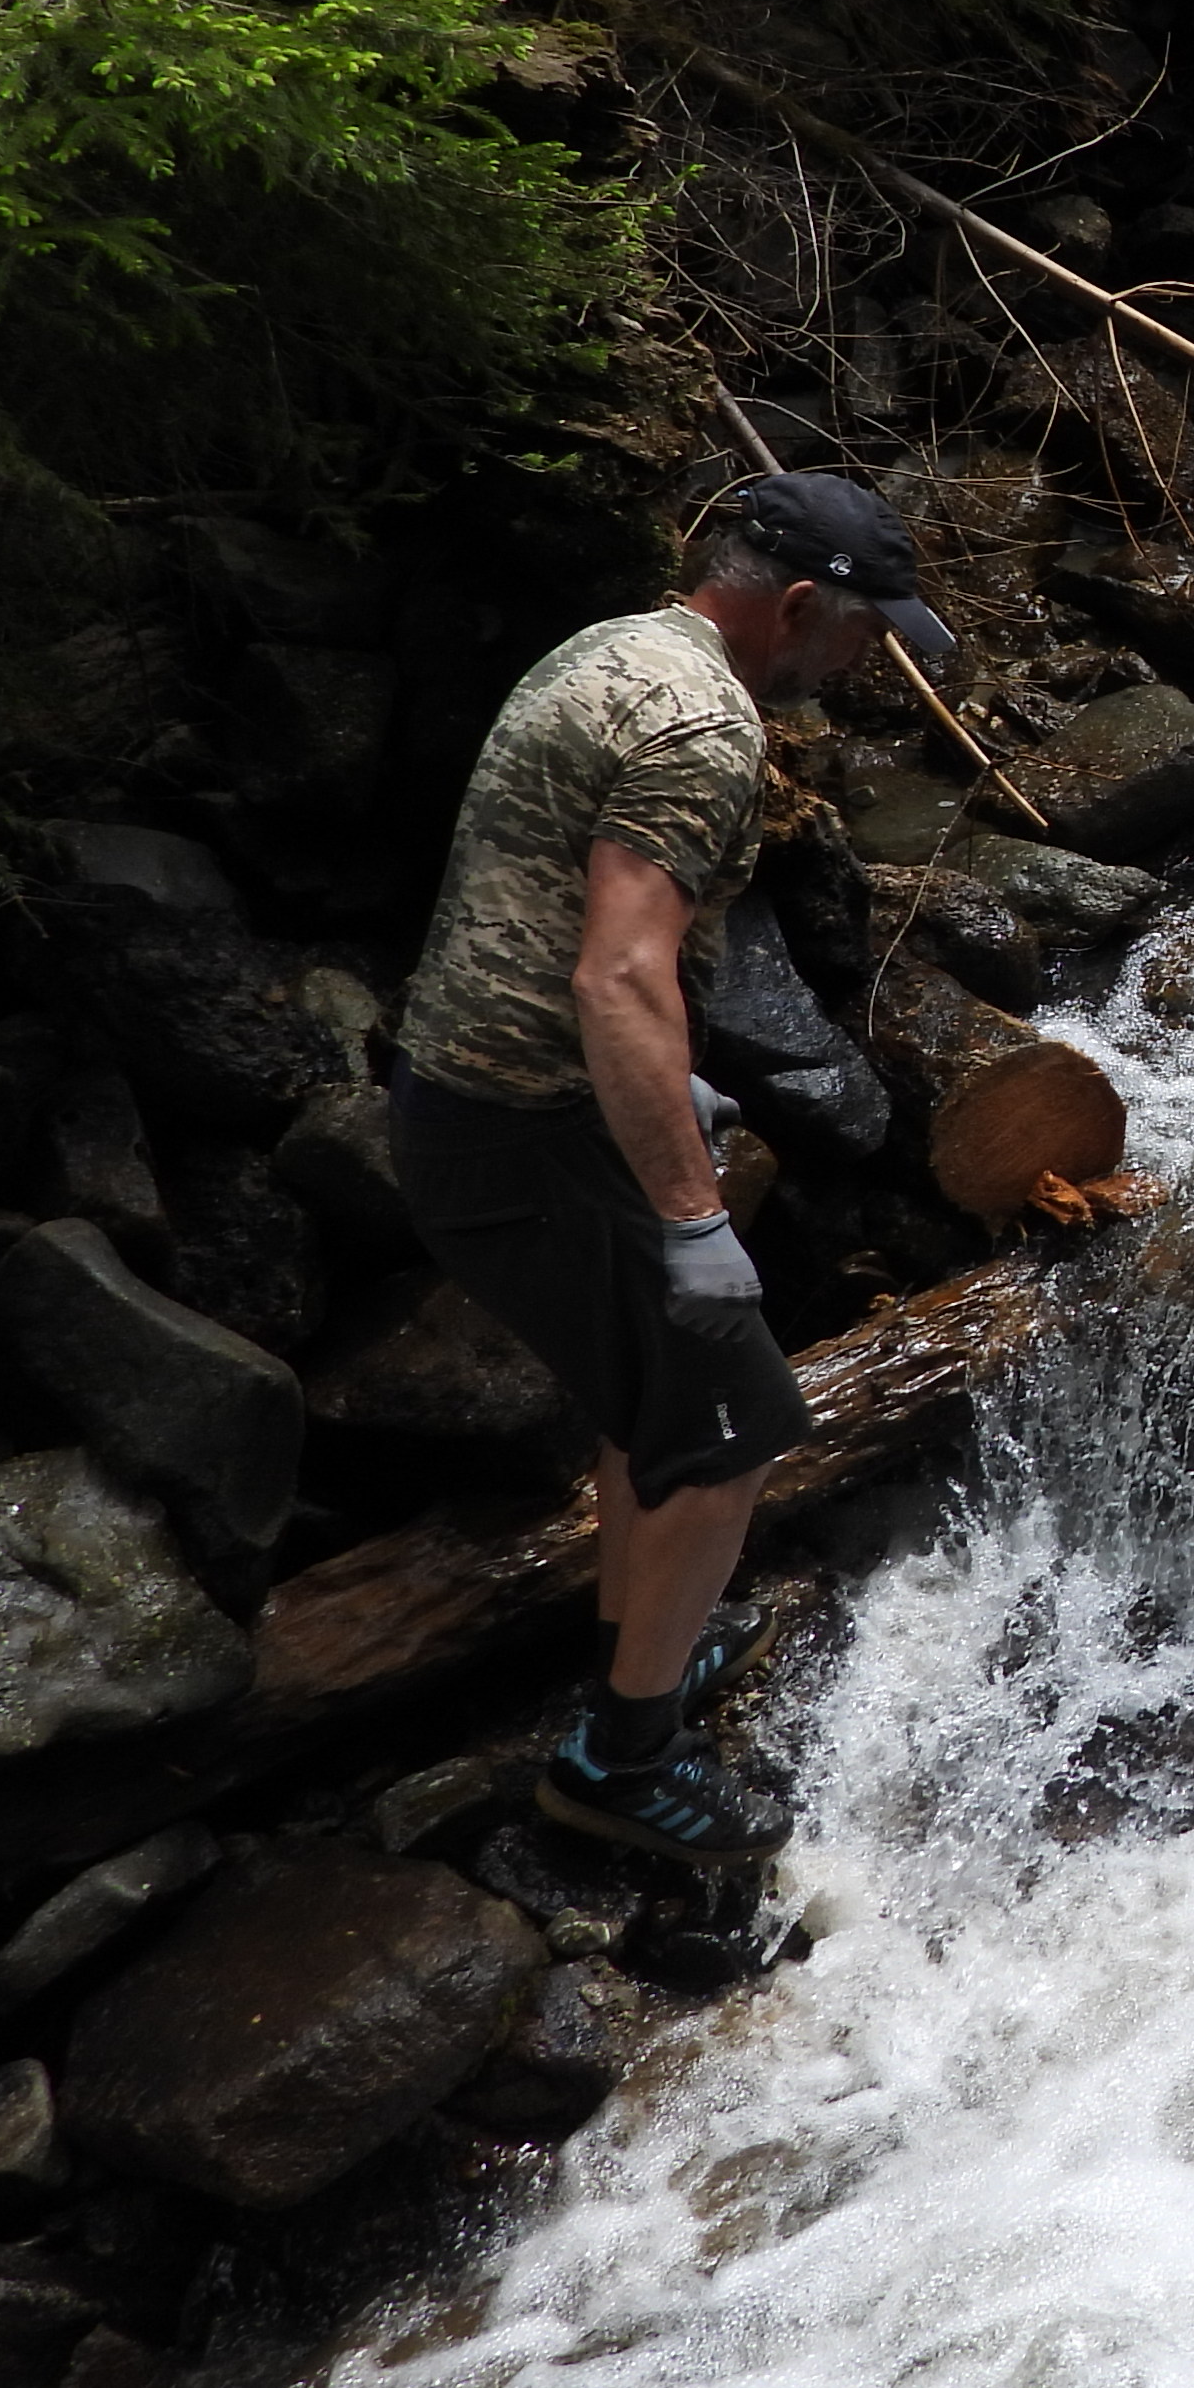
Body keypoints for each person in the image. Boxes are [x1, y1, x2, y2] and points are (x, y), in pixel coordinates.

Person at [389, 471, 942, 1863]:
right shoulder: (703, 728)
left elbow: (540, 893)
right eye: (865, 636)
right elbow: (620, 969)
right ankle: (622, 1766)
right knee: (737, 1425)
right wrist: (697, 1215)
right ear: (798, 605)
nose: (865, 664)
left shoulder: (619, 650)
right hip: (523, 1129)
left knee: (655, 1408)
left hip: (484, 1092)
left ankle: (641, 1652)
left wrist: (667, 1077)